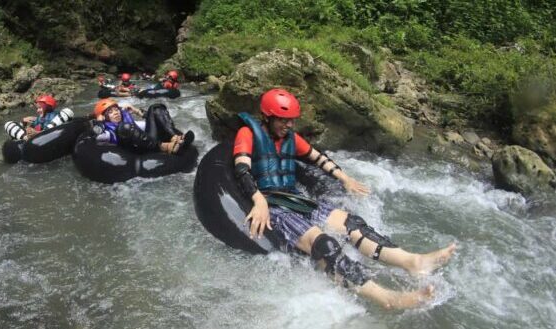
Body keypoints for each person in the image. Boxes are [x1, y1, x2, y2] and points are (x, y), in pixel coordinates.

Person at [233, 88, 457, 309]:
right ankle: (387, 298)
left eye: (291, 120)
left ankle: (413, 262)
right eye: (283, 120)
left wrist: (345, 178)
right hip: (272, 205)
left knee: (353, 224)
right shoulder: (248, 134)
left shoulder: (292, 138)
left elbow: (319, 158)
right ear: (267, 117)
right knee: (324, 243)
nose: (289, 125)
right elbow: (242, 170)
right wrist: (259, 200)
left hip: (294, 199)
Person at [92, 98, 194, 154]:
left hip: (148, 143)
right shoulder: (107, 132)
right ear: (104, 117)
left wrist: (136, 111)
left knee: (155, 108)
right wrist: (99, 121)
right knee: (125, 127)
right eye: (110, 112)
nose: (115, 113)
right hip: (136, 151)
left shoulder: (128, 120)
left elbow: (151, 123)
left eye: (116, 110)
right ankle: (165, 147)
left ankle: (175, 137)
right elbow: (97, 136)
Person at [4, 95, 73, 141]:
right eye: (37, 108)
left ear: (48, 107)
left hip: (49, 136)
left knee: (67, 111)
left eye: (40, 108)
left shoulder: (56, 116)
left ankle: (41, 133)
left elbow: (68, 117)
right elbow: (21, 128)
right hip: (31, 140)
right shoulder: (37, 120)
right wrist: (23, 122)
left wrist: (38, 133)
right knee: (8, 124)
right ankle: (26, 137)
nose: (37, 111)